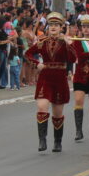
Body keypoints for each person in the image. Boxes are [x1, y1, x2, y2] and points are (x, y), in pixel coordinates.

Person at [25, 12, 76, 153]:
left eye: (56, 25)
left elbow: (73, 58)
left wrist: (69, 44)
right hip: (45, 77)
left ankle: (57, 142)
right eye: (51, 25)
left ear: (61, 28)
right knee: (42, 107)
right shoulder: (42, 41)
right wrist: (36, 63)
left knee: (58, 114)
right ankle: (42, 140)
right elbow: (27, 54)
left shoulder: (65, 42)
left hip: (60, 78)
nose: (53, 27)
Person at [72, 15, 89, 142]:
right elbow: (80, 56)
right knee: (78, 100)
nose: (86, 29)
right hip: (80, 75)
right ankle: (78, 130)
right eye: (84, 27)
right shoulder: (77, 40)